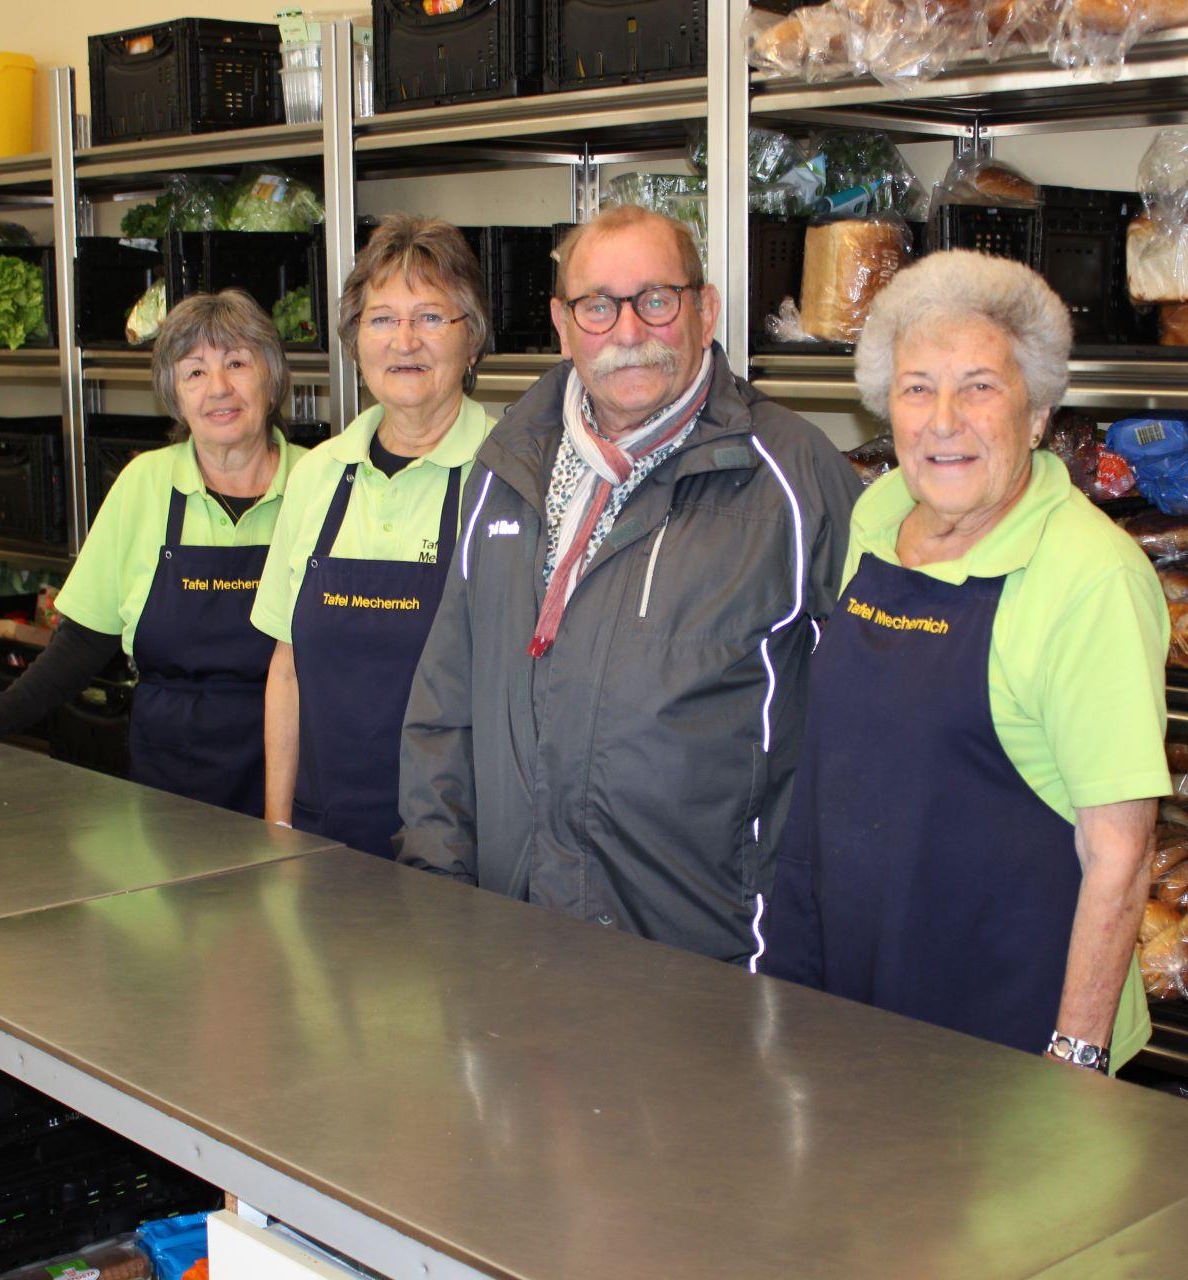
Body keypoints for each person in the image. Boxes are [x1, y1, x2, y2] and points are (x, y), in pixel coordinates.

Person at [394, 204, 861, 964]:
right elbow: (446, 704)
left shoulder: (794, 480)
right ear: (562, 324)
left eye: (657, 299)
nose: (628, 330)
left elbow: (863, 748)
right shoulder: (507, 467)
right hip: (513, 944)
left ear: (705, 310)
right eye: (598, 306)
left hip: (709, 964)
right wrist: (438, 892)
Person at [765, 250, 1169, 1074]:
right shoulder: (880, 513)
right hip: (853, 990)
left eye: (979, 386)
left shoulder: (1091, 577)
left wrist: (1074, 1060)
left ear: (1038, 411)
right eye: (917, 388)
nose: (943, 420)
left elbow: (1120, 854)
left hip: (1006, 1029)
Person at [0, 289, 307, 819]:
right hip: (171, 780)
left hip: (302, 772)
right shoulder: (144, 484)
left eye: (237, 363)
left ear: (271, 376)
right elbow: (82, 642)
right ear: (174, 394)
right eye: (195, 372)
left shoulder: (319, 482)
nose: (219, 388)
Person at [251, 213, 497, 854]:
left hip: (462, 848)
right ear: (356, 342)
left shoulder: (511, 475)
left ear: (472, 341)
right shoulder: (316, 474)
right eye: (382, 319)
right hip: (321, 833)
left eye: (430, 317)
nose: (404, 341)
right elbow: (286, 670)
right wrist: (278, 829)